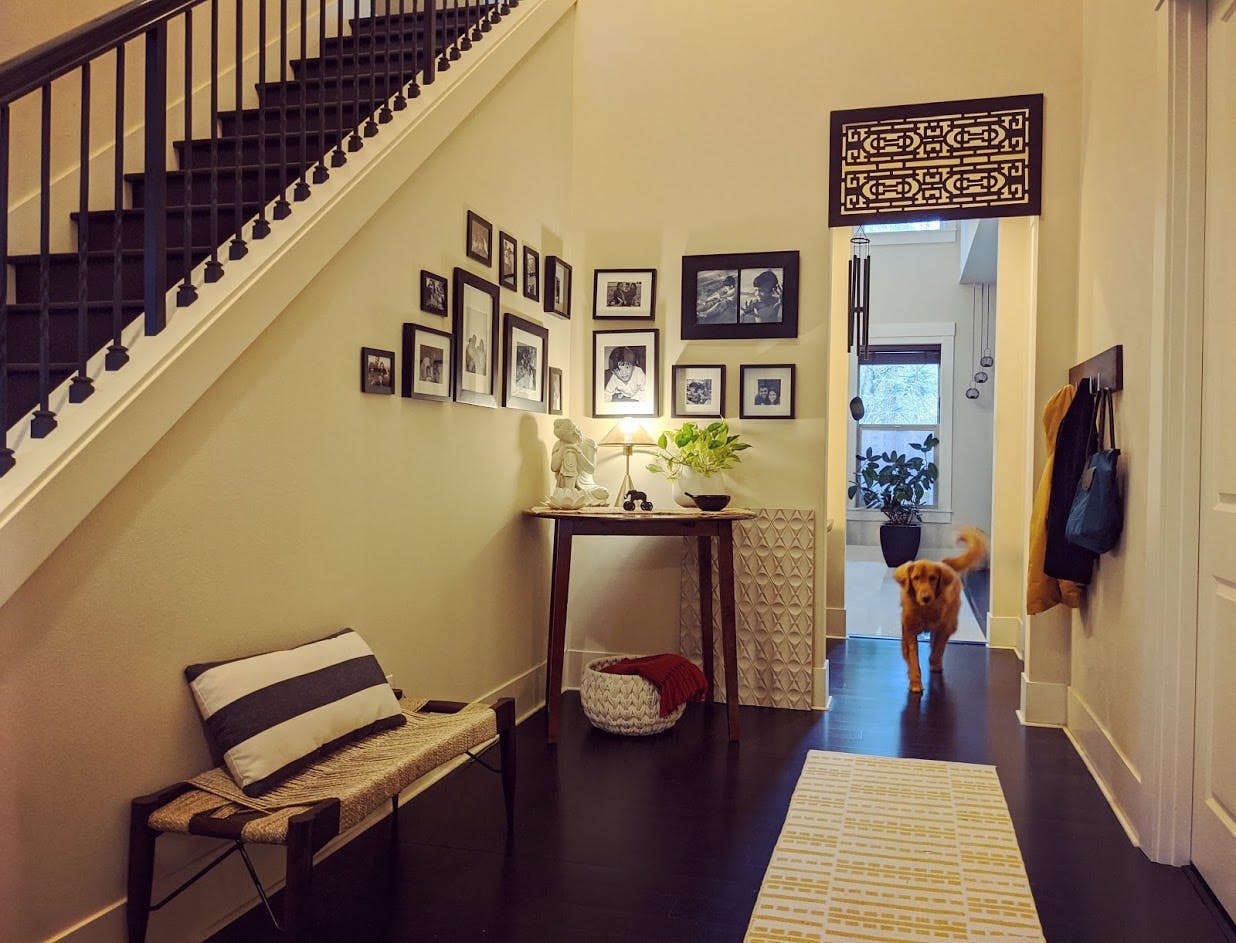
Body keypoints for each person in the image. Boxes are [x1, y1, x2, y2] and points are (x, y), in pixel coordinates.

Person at [548, 419, 609, 507]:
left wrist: (578, 452)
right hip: (565, 486)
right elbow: (554, 467)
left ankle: (571, 496)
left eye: (570, 437)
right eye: (564, 439)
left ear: (575, 431)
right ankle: (569, 492)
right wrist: (562, 450)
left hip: (586, 486)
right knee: (569, 454)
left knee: (603, 493)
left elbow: (590, 469)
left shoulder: (589, 443)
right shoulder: (559, 444)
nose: (568, 441)